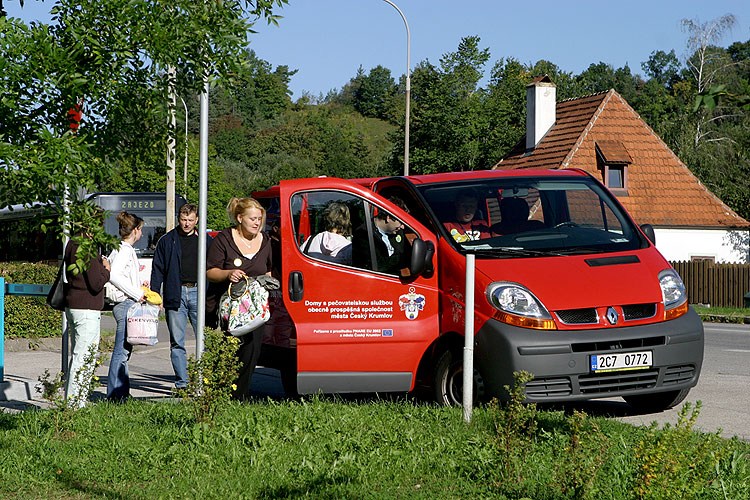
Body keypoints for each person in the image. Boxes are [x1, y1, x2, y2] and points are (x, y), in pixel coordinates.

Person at [206, 197, 273, 401]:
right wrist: (228, 274)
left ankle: (239, 397)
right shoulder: (224, 239)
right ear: (239, 218)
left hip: (255, 309)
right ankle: (222, 394)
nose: (256, 223)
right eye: (252, 219)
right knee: (230, 351)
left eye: (259, 219)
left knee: (252, 352)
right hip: (229, 308)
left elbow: (269, 270)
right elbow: (210, 271)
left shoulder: (266, 240)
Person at [150, 203, 212, 390]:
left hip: (199, 292)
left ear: (197, 220)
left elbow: (214, 266)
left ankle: (205, 380)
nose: (187, 224)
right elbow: (157, 269)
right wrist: (155, 295)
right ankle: (183, 383)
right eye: (184, 220)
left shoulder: (206, 240)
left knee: (206, 340)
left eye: (190, 220)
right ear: (178, 218)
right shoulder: (168, 240)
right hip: (175, 293)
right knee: (177, 341)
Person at [63, 232, 111, 407]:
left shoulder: (71, 243)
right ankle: (75, 404)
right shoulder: (86, 247)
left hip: (74, 305)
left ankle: (75, 400)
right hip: (86, 309)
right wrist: (106, 270)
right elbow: (96, 282)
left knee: (79, 355)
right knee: (84, 357)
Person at [106, 211, 147, 402]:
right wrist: (137, 293)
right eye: (141, 230)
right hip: (124, 303)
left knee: (125, 350)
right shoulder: (124, 250)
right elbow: (114, 275)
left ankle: (122, 392)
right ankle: (115, 394)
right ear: (136, 230)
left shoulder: (121, 248)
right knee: (121, 351)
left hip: (124, 303)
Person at [352, 196, 410, 275]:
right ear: (388, 218)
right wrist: (400, 258)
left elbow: (407, 254)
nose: (403, 227)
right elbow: (378, 265)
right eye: (401, 222)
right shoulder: (364, 234)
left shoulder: (397, 231)